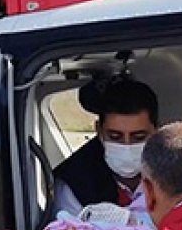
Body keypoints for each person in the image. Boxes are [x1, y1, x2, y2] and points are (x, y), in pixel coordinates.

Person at [53, 75, 159, 216]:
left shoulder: (176, 174)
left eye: (138, 137)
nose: (126, 146)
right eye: (115, 137)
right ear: (99, 130)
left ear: (156, 131)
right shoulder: (74, 184)